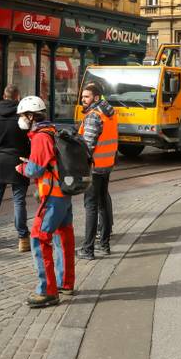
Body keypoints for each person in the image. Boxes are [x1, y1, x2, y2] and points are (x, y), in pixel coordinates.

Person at [15, 96, 75, 308]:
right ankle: (65, 283)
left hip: (52, 197)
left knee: (39, 238)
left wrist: (22, 168)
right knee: (64, 235)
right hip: (63, 194)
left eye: (22, 116)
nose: (21, 120)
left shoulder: (40, 137)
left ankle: (47, 290)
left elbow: (35, 170)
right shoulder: (53, 131)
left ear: (31, 116)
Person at [0, 84, 30, 251]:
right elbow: (30, 139)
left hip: (0, 161)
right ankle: (23, 239)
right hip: (19, 161)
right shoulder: (23, 117)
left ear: (3, 95)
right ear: (18, 97)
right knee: (19, 200)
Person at [76, 83, 118, 261]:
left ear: (95, 97)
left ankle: (88, 249)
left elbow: (88, 145)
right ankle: (105, 244)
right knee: (104, 202)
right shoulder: (110, 112)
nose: (82, 100)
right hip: (107, 164)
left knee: (91, 206)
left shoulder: (94, 116)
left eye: (86, 97)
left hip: (94, 167)